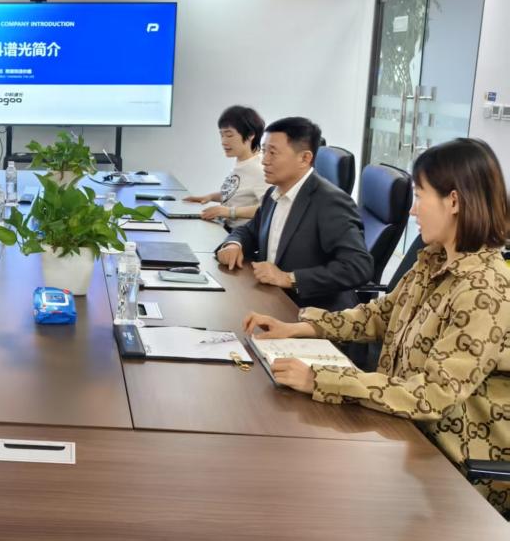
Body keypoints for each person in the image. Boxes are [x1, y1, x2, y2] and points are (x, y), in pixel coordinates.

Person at [243, 138, 510, 517]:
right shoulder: (434, 260)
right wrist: (300, 327)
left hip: (451, 467)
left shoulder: (484, 290)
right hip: (402, 430)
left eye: (420, 196)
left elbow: (434, 395)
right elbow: (380, 316)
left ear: (453, 201)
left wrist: (320, 379)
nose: (413, 210)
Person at [216, 116, 373, 311]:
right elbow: (250, 230)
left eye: (273, 153)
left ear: (304, 158)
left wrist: (289, 278)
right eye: (264, 151)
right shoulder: (273, 193)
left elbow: (358, 267)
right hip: (272, 299)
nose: (264, 161)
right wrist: (234, 244)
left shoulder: (331, 202)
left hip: (312, 313)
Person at [184, 105, 269, 228]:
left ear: (251, 135)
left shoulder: (259, 169)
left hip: (240, 235)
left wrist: (230, 212)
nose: (223, 141)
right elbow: (236, 194)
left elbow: (268, 208)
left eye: (229, 135)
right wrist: (210, 197)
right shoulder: (242, 162)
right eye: (222, 135)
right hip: (225, 227)